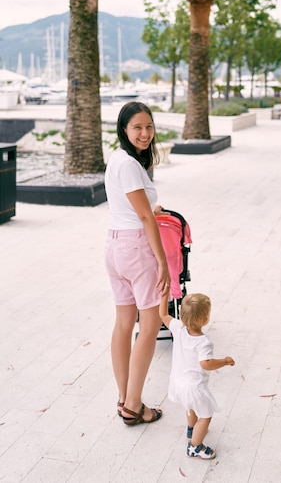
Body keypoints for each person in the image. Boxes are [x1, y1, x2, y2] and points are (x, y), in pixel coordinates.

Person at [105, 101, 171, 426]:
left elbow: (134, 206)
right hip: (136, 248)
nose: (144, 133)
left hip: (115, 245)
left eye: (148, 126)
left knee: (122, 324)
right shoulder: (130, 165)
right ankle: (134, 405)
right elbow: (145, 216)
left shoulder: (117, 158)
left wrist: (150, 212)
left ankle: (124, 398)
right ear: (124, 129)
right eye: (137, 128)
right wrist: (164, 263)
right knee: (150, 326)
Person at [159, 291, 235, 460]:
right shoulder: (203, 342)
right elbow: (206, 364)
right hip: (194, 387)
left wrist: (164, 295)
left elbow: (163, 314)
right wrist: (225, 361)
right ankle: (195, 447)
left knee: (190, 407)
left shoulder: (178, 327)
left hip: (178, 382)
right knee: (206, 416)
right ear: (205, 320)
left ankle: (191, 429)